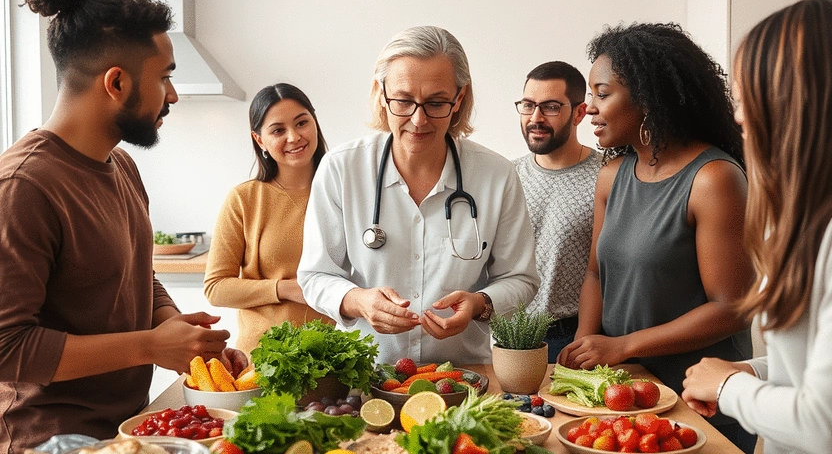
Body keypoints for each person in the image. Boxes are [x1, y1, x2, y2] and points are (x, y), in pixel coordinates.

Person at [0, 0, 246, 454]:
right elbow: (8, 348)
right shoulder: (23, 186)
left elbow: (139, 274)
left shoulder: (120, 167)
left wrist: (184, 338)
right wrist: (148, 347)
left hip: (122, 434)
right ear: (116, 82)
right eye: (165, 77)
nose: (173, 96)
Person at [682, 0, 832, 454]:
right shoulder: (807, 216)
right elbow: (814, 369)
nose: (738, 112)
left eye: (753, 92)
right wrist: (746, 372)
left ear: (811, 101)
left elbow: (829, 424)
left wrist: (729, 390)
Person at [557, 22, 756, 454]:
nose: (588, 108)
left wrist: (623, 346)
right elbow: (595, 274)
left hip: (701, 404)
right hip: (626, 397)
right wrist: (583, 360)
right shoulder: (612, 174)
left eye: (602, 93)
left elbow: (732, 308)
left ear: (648, 98)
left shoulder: (713, 178)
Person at [298, 25, 539, 365]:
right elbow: (315, 275)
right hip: (366, 376)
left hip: (462, 378)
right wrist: (358, 300)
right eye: (403, 101)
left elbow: (520, 278)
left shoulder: (496, 176)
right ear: (381, 95)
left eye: (436, 103)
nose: (418, 119)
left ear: (460, 98)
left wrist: (478, 304)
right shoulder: (341, 169)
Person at [204, 84, 333, 354]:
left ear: (315, 122)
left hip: (336, 354)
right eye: (278, 130)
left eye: (302, 123)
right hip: (267, 359)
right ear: (259, 139)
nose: (294, 137)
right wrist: (284, 289)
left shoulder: (344, 191)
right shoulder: (245, 199)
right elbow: (216, 288)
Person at [513, 61, 601, 362]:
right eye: (527, 105)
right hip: (509, 335)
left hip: (575, 336)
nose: (535, 118)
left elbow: (606, 270)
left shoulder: (608, 176)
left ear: (579, 112)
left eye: (550, 107)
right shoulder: (507, 176)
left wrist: (584, 338)